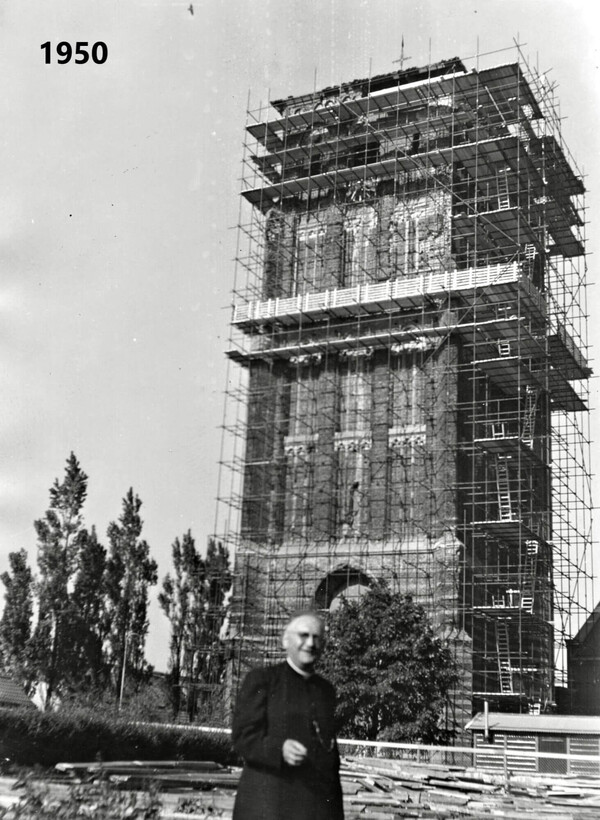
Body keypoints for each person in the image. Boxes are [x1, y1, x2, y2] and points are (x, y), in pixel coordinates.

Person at [231, 610, 344, 820]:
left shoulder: (326, 690)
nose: (310, 643)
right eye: (303, 635)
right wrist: (279, 749)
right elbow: (242, 737)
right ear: (285, 640)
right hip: (268, 806)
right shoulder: (262, 681)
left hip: (313, 808)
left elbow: (330, 756)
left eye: (317, 638)